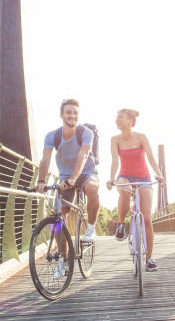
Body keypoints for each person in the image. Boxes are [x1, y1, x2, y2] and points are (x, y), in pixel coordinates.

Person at [37, 99, 100, 277]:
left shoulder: (85, 133)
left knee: (92, 188)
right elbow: (46, 159)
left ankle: (90, 228)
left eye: (75, 112)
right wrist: (41, 180)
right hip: (65, 177)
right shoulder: (52, 136)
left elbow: (84, 153)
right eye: (68, 112)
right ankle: (63, 259)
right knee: (58, 218)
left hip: (86, 172)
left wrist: (74, 178)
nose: (72, 115)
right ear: (61, 115)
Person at [106, 109, 164, 271]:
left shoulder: (141, 137)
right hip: (124, 176)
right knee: (124, 189)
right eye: (116, 118)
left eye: (121, 117)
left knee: (147, 218)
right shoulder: (114, 140)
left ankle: (150, 259)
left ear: (130, 120)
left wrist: (159, 175)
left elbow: (151, 158)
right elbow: (115, 161)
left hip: (144, 177)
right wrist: (111, 178)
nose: (117, 120)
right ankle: (121, 223)